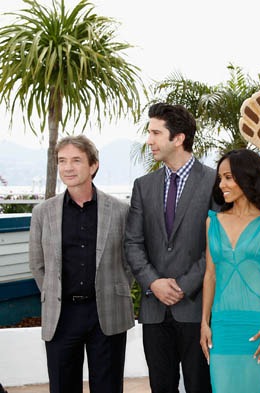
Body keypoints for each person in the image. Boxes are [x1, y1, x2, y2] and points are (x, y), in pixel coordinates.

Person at [29, 135, 133, 393]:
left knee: (108, 388)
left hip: (107, 313)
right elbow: (37, 263)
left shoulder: (121, 210)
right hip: (62, 315)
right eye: (62, 161)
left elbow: (130, 261)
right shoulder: (42, 213)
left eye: (76, 160)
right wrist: (53, 292)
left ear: (93, 165)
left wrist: (113, 289)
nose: (68, 167)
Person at [125, 103, 216, 393]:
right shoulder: (143, 185)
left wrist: (181, 286)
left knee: (200, 387)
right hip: (154, 311)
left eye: (155, 133)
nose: (149, 140)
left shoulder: (215, 182)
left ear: (178, 138)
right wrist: (154, 283)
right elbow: (133, 242)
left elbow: (217, 246)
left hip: (197, 309)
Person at [199, 149, 260, 393]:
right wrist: (204, 323)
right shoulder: (213, 222)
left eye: (228, 177)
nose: (222, 184)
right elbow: (210, 274)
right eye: (220, 178)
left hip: (259, 324)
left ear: (247, 177)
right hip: (222, 325)